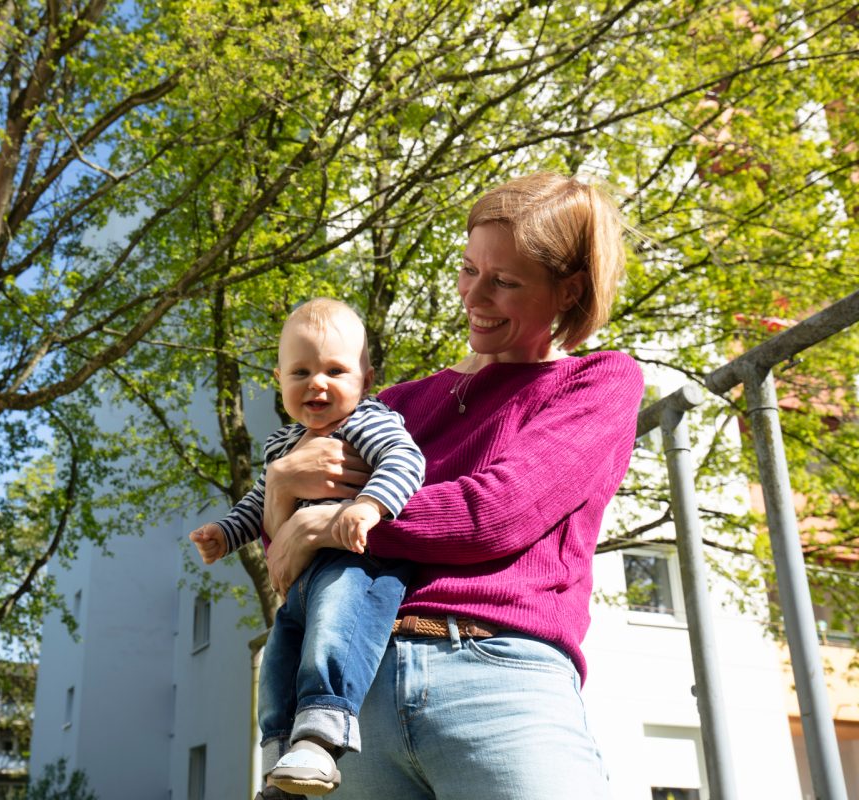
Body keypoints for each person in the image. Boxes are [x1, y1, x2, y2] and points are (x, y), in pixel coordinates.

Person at [261, 172, 645, 800]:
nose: (475, 295)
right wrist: (281, 490)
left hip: (497, 682)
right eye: (469, 270)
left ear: (568, 289)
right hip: (353, 702)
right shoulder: (398, 403)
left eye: (505, 281)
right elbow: (294, 556)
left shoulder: (598, 382)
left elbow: (491, 515)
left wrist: (331, 519)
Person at [188, 298, 426, 798]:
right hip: (299, 583)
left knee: (332, 641)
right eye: (301, 371)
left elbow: (406, 460)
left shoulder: (368, 421)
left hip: (356, 567)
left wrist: (370, 507)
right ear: (279, 379)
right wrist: (226, 533)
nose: (317, 383)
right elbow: (259, 502)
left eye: (335, 370)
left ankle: (322, 737)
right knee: (277, 664)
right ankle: (281, 764)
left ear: (366, 376)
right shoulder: (282, 445)